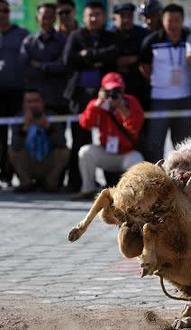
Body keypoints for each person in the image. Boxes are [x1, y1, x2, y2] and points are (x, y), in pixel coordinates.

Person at [63, 0, 118, 192]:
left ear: (104, 17)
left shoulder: (110, 36)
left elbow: (113, 55)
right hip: (80, 97)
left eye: (97, 14)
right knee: (80, 139)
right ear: (84, 17)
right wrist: (96, 59)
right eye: (90, 15)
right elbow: (69, 59)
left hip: (106, 95)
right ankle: (79, 183)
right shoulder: (76, 35)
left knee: (111, 136)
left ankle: (112, 182)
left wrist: (88, 55)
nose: (94, 18)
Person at [75, 73, 144, 200]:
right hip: (106, 152)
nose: (113, 94)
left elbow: (134, 127)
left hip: (125, 154)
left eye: (117, 90)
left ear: (123, 90)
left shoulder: (131, 102)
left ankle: (133, 195)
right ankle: (88, 189)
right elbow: (85, 124)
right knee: (85, 152)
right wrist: (97, 105)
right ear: (103, 90)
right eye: (109, 91)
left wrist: (121, 108)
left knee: (137, 159)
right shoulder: (97, 104)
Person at [140, 4, 191, 163]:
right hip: (160, 99)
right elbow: (144, 67)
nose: (173, 24)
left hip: (185, 99)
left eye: (177, 20)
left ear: (183, 21)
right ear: (162, 21)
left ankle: (183, 182)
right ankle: (156, 180)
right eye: (169, 20)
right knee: (155, 143)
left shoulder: (190, 38)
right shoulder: (151, 41)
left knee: (184, 145)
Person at [9, 89, 69, 193]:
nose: (33, 105)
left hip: (47, 161)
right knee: (12, 151)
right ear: (23, 104)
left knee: (64, 152)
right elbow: (15, 146)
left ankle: (51, 183)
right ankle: (25, 182)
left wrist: (48, 128)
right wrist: (24, 128)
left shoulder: (53, 117)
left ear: (42, 102)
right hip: (29, 161)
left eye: (36, 101)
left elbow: (62, 143)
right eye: (29, 102)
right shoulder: (18, 118)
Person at [20, 3, 69, 115]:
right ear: (37, 18)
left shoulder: (64, 41)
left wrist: (41, 65)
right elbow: (26, 68)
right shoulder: (28, 42)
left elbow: (64, 65)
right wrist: (52, 66)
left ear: (55, 19)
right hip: (34, 100)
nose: (46, 20)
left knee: (58, 131)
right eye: (43, 17)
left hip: (58, 99)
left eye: (50, 17)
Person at [0, 0, 29, 186]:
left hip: (18, 91)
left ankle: (20, 174)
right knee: (0, 136)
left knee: (19, 134)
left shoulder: (22, 35)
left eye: (5, 10)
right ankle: (4, 173)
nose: (2, 13)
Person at [111, 3, 150, 110]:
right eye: (122, 16)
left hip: (139, 88)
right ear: (114, 17)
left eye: (129, 16)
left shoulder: (143, 34)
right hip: (116, 89)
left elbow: (146, 57)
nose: (126, 20)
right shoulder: (109, 35)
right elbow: (108, 59)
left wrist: (133, 59)